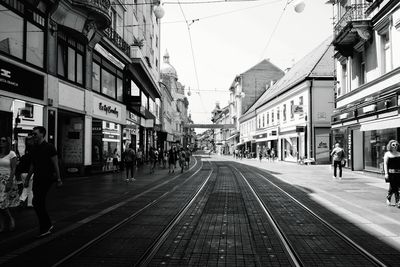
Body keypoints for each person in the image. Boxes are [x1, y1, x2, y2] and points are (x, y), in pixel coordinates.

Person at [24, 126, 62, 238]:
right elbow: (32, 165)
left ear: (42, 134)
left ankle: (44, 227)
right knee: (37, 202)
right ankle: (47, 224)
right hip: (37, 178)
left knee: (38, 201)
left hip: (47, 178)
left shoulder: (50, 147)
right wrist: (27, 179)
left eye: (35, 134)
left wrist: (59, 179)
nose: (33, 135)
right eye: (33, 133)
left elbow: (55, 164)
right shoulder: (34, 148)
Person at [0, 137, 19, 232]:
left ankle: (11, 218)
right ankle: (2, 225)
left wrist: (10, 181)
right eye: (0, 140)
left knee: (2, 202)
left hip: (7, 180)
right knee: (0, 204)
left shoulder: (12, 154)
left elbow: (14, 169)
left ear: (7, 143)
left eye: (3, 141)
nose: (1, 142)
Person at [16, 135, 34, 207]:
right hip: (29, 172)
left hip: (23, 173)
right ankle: (27, 202)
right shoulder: (33, 152)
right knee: (30, 189)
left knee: (26, 188)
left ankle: (24, 201)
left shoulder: (25, 154)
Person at [383, 140, 400, 207]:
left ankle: (396, 201)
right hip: (391, 173)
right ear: (390, 146)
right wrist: (386, 173)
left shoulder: (399, 154)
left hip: (399, 173)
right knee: (394, 187)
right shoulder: (387, 154)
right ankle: (394, 200)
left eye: (396, 145)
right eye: (393, 145)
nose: (395, 146)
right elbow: (385, 164)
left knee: (397, 187)